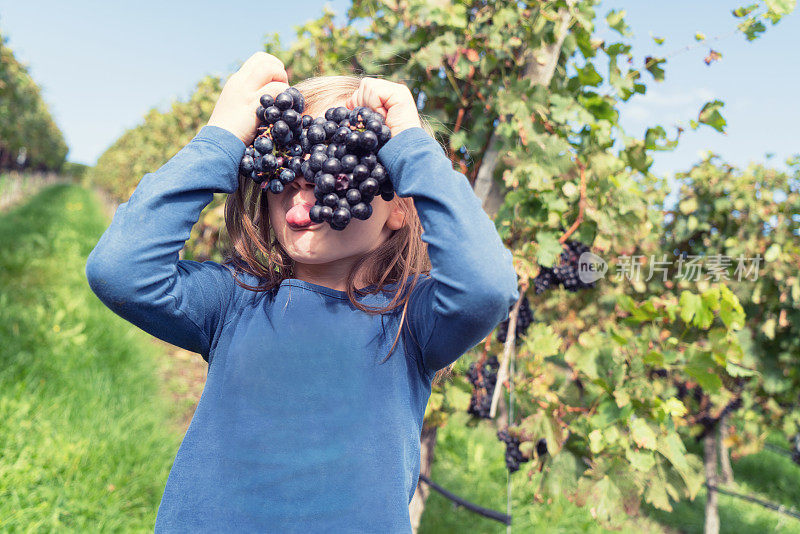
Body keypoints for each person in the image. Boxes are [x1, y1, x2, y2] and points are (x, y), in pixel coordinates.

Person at [85, 52, 519, 533]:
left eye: (342, 163)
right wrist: (222, 136)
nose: (303, 187)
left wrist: (411, 144)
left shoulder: (410, 320)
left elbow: (486, 285)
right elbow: (120, 269)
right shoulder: (234, 301)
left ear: (399, 206)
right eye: (286, 169)